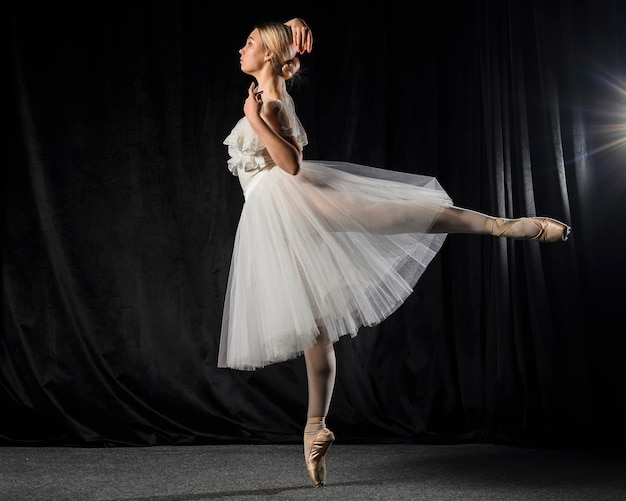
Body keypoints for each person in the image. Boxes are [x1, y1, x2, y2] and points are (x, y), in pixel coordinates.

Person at [217, 18, 571, 488]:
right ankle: (314, 427)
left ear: (267, 56)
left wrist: (258, 119)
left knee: (403, 212)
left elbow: (292, 165)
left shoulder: (272, 103)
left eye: (250, 42)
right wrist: (290, 24)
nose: (241, 48)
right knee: (314, 326)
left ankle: (503, 226)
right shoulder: (269, 95)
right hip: (276, 217)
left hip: (293, 201)